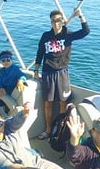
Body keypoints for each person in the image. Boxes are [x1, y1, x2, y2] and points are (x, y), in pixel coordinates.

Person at [31, 8, 90, 140]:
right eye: (53, 21)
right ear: (51, 22)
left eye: (58, 20)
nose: (56, 23)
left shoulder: (68, 35)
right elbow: (39, 53)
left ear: (62, 21)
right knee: (48, 103)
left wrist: (80, 15)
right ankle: (48, 129)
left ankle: (60, 129)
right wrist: (36, 70)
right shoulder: (45, 36)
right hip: (47, 73)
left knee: (63, 103)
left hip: (62, 73)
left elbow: (86, 31)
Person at [0, 105, 72, 169]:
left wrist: (24, 112)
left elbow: (16, 121)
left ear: (3, 122)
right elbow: (4, 165)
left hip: (35, 161)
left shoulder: (7, 126)